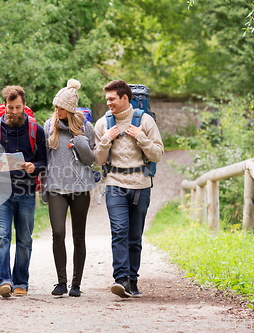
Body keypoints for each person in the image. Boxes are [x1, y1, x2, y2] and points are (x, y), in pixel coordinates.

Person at [94, 80, 164, 298]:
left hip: (141, 185)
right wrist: (106, 140)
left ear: (125, 98)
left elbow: (158, 155)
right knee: (119, 231)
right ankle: (121, 279)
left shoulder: (145, 121)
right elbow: (98, 159)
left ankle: (133, 281)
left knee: (135, 236)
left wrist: (141, 137)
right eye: (107, 100)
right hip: (114, 183)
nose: (109, 104)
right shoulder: (102, 124)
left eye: (112, 99)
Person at [0, 86, 46, 297]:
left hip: (27, 191)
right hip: (1, 191)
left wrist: (33, 167)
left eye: (18, 107)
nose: (14, 112)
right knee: (1, 237)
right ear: (4, 106)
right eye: (10, 108)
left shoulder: (36, 131)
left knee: (25, 239)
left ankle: (21, 282)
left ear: (24, 106)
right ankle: (3, 281)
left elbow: (43, 161)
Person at [43, 79, 96, 297]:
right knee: (57, 233)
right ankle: (61, 282)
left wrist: (80, 140)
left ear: (71, 109)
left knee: (78, 237)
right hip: (56, 186)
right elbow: (45, 159)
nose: (57, 111)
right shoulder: (49, 126)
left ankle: (76, 284)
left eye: (61, 108)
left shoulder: (86, 127)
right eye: (56, 107)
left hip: (80, 188)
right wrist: (44, 188)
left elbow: (91, 159)